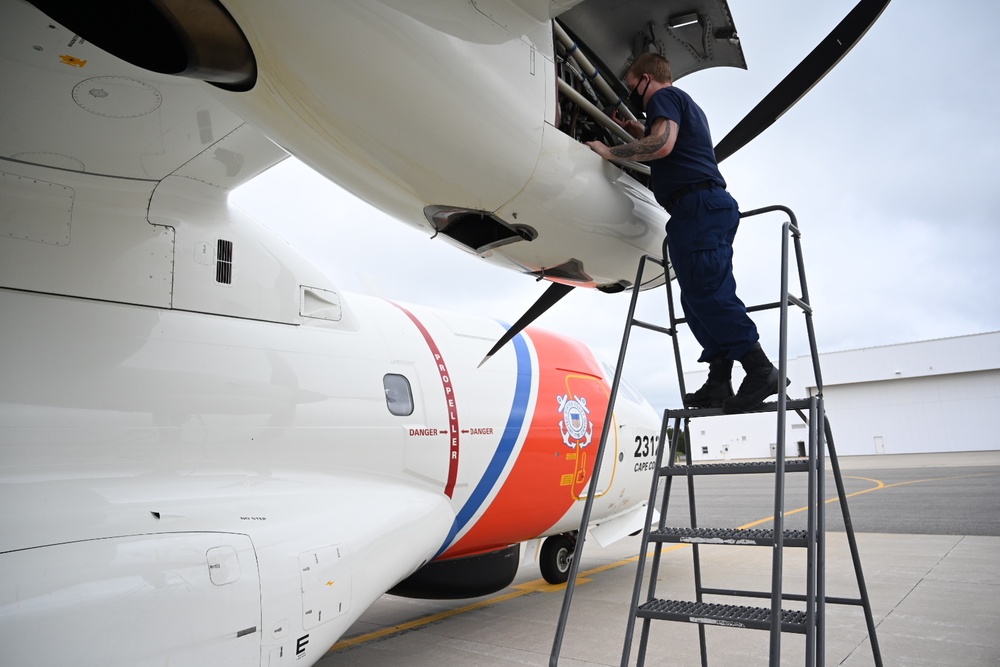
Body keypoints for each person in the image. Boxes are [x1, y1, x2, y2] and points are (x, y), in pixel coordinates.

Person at [586, 52, 783, 413]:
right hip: (698, 209)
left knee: (707, 292)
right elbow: (664, 139)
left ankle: (760, 369)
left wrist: (610, 151)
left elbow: (662, 144)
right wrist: (638, 131)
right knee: (695, 298)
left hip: (698, 207)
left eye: (632, 86)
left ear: (646, 78)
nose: (634, 95)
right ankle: (719, 380)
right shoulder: (683, 106)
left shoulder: (665, 97)